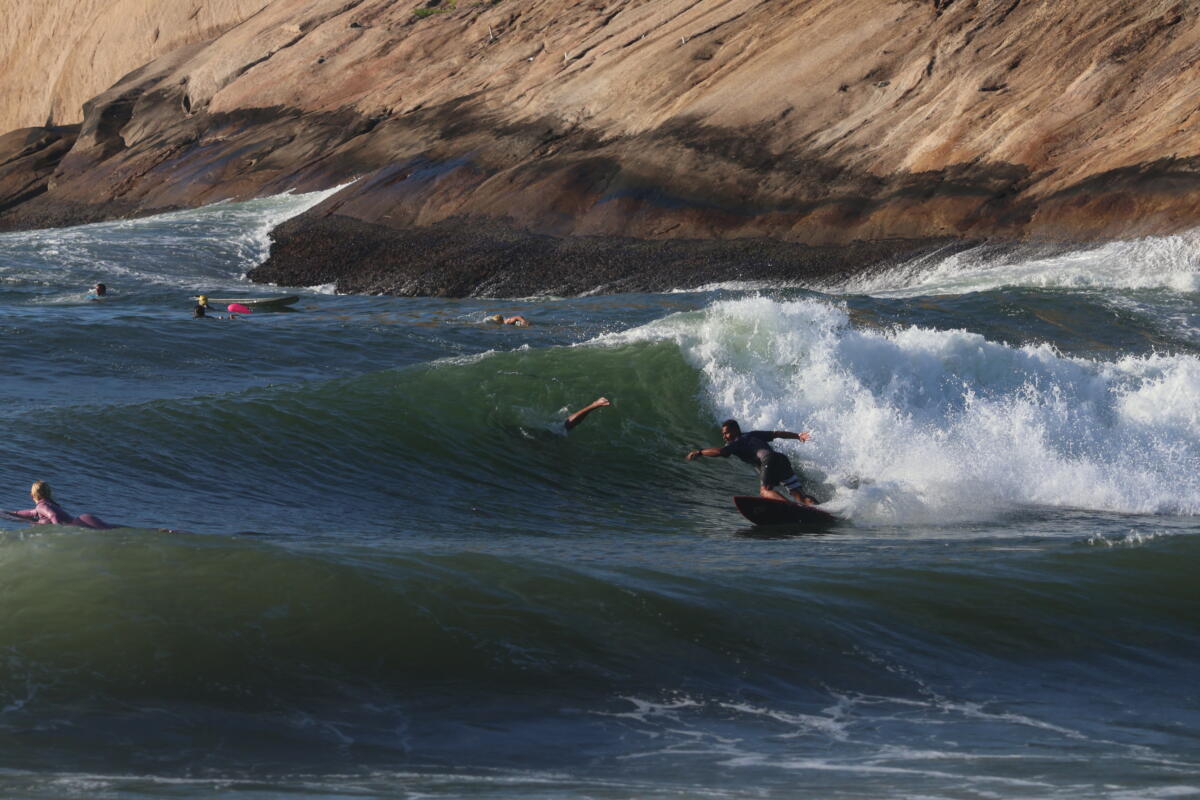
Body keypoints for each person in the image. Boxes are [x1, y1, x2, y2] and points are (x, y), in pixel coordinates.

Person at [686, 419, 818, 505]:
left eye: (726, 433)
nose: (724, 436)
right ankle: (817, 508)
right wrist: (798, 436)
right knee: (800, 496)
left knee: (765, 491)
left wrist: (700, 452)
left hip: (767, 460)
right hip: (781, 459)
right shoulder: (752, 434)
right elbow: (776, 433)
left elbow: (722, 452)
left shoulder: (737, 442)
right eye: (723, 434)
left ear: (735, 430)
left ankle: (792, 508)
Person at [3, 481, 118, 529]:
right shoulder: (50, 504)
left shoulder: (41, 506)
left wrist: (58, 531)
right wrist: (8, 513)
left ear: (32, 495)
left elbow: (52, 516)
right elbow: (30, 513)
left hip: (78, 524)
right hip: (85, 519)